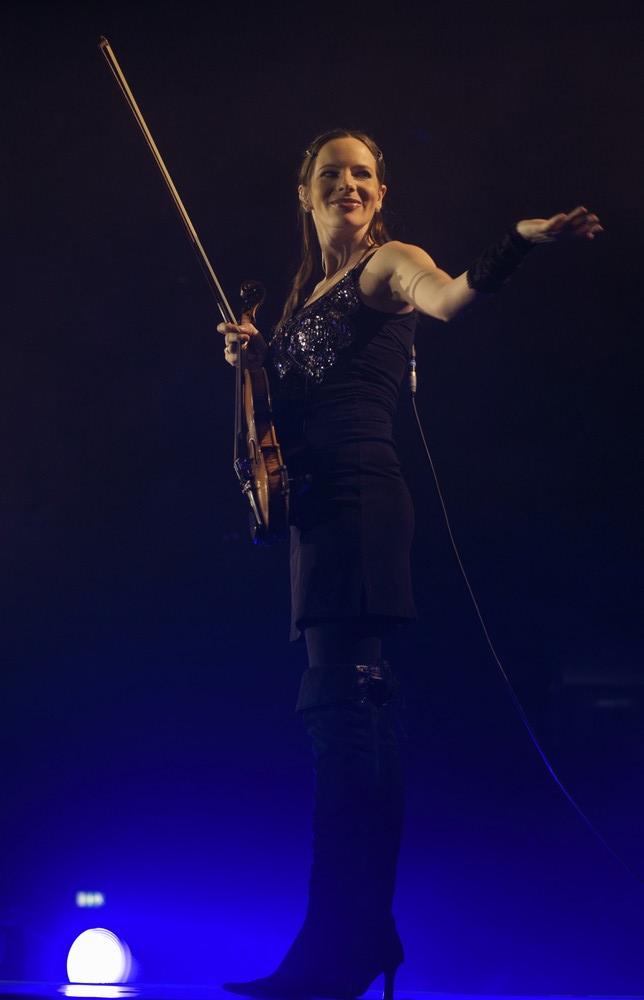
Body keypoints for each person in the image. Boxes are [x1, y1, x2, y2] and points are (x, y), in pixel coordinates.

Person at [217, 128, 603, 1000]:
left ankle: (338, 946)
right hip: (319, 516)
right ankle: (357, 936)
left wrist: (518, 242)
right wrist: (252, 365)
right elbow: (273, 431)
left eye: (362, 174)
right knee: (345, 718)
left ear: (381, 193)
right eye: (331, 173)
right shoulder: (301, 297)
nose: (348, 184)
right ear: (305, 194)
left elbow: (450, 298)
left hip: (360, 503)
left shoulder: (389, 263)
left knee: (345, 719)